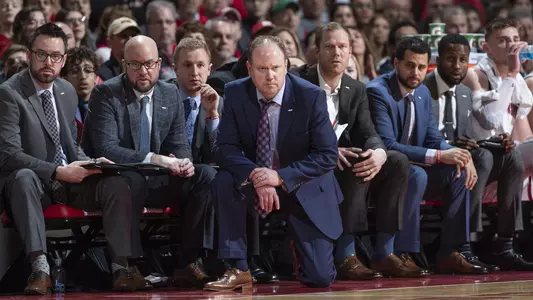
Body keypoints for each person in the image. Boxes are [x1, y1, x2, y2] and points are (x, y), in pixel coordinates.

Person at [0, 23, 149, 295]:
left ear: (63, 60)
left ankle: (121, 267)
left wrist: (91, 162)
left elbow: (69, 146)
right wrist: (57, 171)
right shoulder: (9, 94)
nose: (48, 62)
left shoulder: (66, 91)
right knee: (22, 178)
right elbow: (9, 155)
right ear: (30, 55)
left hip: (68, 179)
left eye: (55, 56)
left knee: (115, 182)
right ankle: (40, 267)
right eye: (41, 54)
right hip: (36, 184)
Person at [204, 35, 342, 291]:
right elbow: (225, 149)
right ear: (249, 68)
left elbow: (327, 155)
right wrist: (258, 175)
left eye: (276, 68)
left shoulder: (310, 96)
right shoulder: (236, 92)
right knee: (223, 180)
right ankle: (238, 267)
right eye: (262, 69)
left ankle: (299, 253)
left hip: (301, 182)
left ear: (287, 66)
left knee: (320, 279)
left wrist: (279, 177)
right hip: (254, 179)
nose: (270, 76)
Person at [82, 35, 217, 288]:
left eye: (149, 64)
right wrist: (155, 159)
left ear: (159, 65)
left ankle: (187, 262)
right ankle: (125, 266)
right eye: (135, 65)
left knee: (205, 175)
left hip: (155, 182)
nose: (143, 71)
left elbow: (179, 147)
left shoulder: (170, 93)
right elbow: (106, 148)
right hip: (118, 181)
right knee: (129, 179)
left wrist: (184, 163)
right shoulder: (106, 93)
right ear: (124, 65)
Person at [291, 22, 413, 279]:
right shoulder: (299, 83)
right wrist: (326, 152)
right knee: (356, 163)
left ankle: (384, 252)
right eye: (329, 46)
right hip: (309, 165)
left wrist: (379, 152)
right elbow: (288, 136)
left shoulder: (355, 88)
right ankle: (346, 254)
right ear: (316, 52)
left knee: (397, 161)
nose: (336, 52)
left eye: (342, 47)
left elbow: (367, 132)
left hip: (342, 163)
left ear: (350, 53)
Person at [367, 37, 487, 275]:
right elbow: (389, 144)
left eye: (421, 67)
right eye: (410, 65)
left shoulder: (422, 92)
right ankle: (402, 252)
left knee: (457, 171)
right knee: (416, 174)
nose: (416, 72)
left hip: (415, 167)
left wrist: (460, 155)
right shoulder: (377, 92)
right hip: (384, 172)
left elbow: (433, 138)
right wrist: (440, 154)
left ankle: (451, 252)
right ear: (396, 63)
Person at [425, 33, 533, 271]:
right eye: (450, 59)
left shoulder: (464, 92)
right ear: (438, 59)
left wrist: (497, 141)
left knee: (511, 155)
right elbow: (419, 136)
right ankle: (464, 245)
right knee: (480, 158)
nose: (457, 66)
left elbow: (471, 137)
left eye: (462, 60)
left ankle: (505, 244)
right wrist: (453, 145)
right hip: (433, 161)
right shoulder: (424, 88)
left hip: (463, 156)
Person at [462, 19, 533, 182]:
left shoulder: (517, 79)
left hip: (509, 153)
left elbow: (522, 127)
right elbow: (490, 120)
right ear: (487, 48)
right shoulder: (475, 75)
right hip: (482, 155)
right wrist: (513, 73)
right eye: (503, 41)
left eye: (516, 39)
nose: (512, 46)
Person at [60, 46, 99, 140]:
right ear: (65, 78)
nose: (82, 76)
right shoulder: (59, 109)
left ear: (96, 78)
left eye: (88, 71)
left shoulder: (105, 106)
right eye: (75, 71)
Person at [97, 17, 141, 81]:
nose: (130, 40)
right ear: (109, 42)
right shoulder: (102, 74)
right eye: (123, 36)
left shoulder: (147, 69)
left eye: (134, 35)